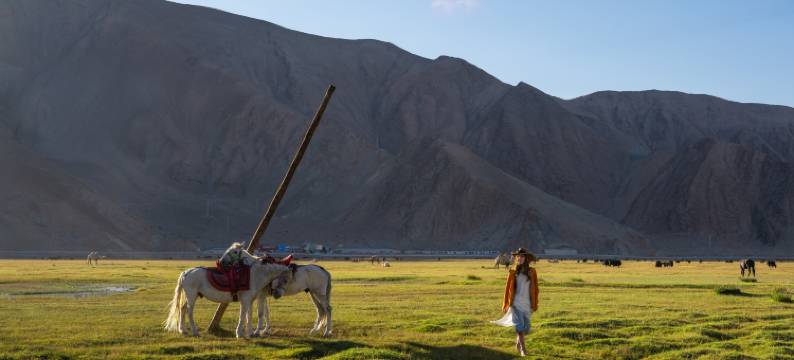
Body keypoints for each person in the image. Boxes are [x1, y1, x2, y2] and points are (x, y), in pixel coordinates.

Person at [491, 247, 539, 357]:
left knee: (526, 328)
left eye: (522, 256)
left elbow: (536, 288)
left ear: (526, 258)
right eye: (518, 256)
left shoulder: (532, 271)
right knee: (519, 326)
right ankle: (523, 349)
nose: (520, 258)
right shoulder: (513, 272)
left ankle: (518, 342)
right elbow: (507, 289)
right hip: (516, 304)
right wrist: (506, 304)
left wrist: (535, 303)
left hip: (527, 304)